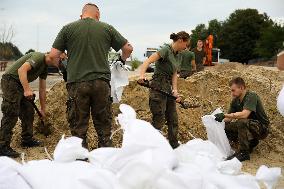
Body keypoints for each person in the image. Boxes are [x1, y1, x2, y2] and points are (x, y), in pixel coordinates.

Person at [49, 3, 133, 149]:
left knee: (78, 125)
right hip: (101, 83)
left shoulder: (68, 29)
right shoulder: (107, 28)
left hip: (77, 82)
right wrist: (122, 60)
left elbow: (53, 56)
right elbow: (128, 48)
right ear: (97, 16)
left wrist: (65, 70)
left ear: (81, 15)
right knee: (104, 125)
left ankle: (81, 160)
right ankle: (105, 155)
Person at [0, 51, 59, 158]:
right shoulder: (38, 57)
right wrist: (27, 90)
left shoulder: (45, 68)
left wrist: (43, 109)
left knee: (28, 111)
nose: (62, 62)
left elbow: (42, 89)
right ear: (54, 56)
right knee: (11, 112)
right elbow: (21, 70)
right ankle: (2, 146)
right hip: (11, 80)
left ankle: (27, 139)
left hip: (21, 83)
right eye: (61, 59)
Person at [138, 31, 190, 149]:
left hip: (168, 87)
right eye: (186, 44)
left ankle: (173, 145)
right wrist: (141, 75)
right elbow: (148, 61)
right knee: (159, 118)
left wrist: (175, 90)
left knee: (173, 118)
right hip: (158, 85)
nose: (186, 47)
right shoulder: (165, 50)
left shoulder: (179, 55)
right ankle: (151, 146)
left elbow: (174, 74)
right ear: (181, 40)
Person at [214, 77, 270, 161]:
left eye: (233, 90)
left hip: (262, 128)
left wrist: (224, 115)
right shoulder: (235, 101)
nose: (232, 93)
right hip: (249, 125)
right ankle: (250, 143)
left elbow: (244, 114)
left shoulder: (251, 96)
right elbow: (228, 119)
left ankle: (243, 153)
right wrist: (215, 120)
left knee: (241, 122)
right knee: (224, 127)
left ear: (241, 88)